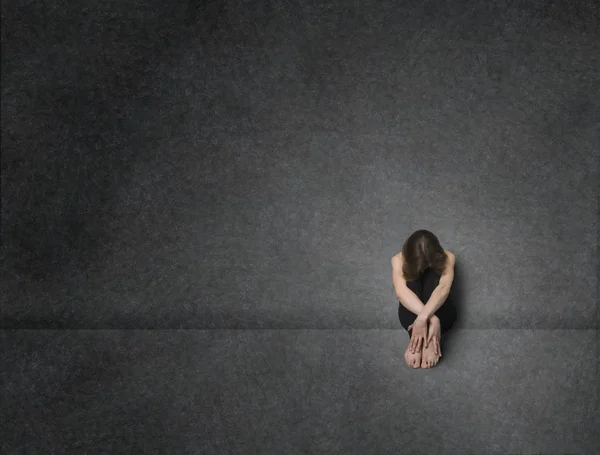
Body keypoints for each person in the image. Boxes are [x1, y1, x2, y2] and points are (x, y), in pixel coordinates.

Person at [391, 230, 457, 368]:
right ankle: (419, 338)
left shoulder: (448, 256)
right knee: (410, 282)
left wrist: (422, 319)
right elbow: (401, 293)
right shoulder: (398, 259)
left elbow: (443, 288)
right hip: (413, 315)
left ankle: (428, 339)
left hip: (444, 314)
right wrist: (431, 319)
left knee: (435, 280)